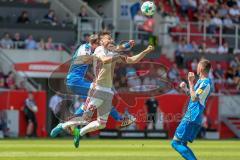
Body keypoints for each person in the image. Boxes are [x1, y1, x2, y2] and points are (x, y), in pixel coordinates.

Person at [72, 31, 154, 148]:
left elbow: (132, 60)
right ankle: (65, 125)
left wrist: (145, 52)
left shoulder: (112, 53)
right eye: (107, 39)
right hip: (97, 89)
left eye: (111, 39)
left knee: (101, 124)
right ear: (101, 41)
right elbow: (105, 60)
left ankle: (79, 133)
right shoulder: (99, 50)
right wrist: (118, 52)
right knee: (86, 118)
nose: (110, 40)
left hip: (108, 91)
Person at [50, 34, 136, 139]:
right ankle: (119, 118)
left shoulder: (92, 48)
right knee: (102, 92)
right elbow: (85, 60)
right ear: (94, 44)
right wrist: (98, 57)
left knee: (102, 97)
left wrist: (126, 45)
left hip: (76, 80)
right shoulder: (87, 48)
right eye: (98, 44)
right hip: (75, 80)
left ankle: (72, 123)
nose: (100, 46)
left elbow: (114, 49)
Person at [171, 59, 213, 160]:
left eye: (198, 66)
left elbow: (194, 98)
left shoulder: (206, 83)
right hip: (194, 116)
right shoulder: (201, 81)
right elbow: (193, 95)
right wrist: (185, 88)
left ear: (201, 69)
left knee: (175, 143)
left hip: (192, 116)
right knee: (182, 144)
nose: (196, 68)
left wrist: (190, 82)